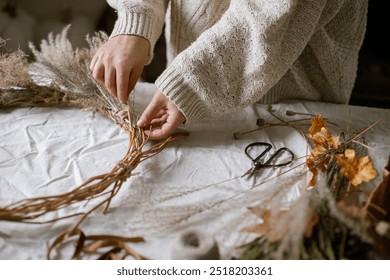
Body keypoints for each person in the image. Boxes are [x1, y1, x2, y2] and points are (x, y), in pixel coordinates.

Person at [90, 0, 368, 140]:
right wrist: (135, 19)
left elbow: (269, 11)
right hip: (186, 91)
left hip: (291, 106)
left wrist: (192, 82)